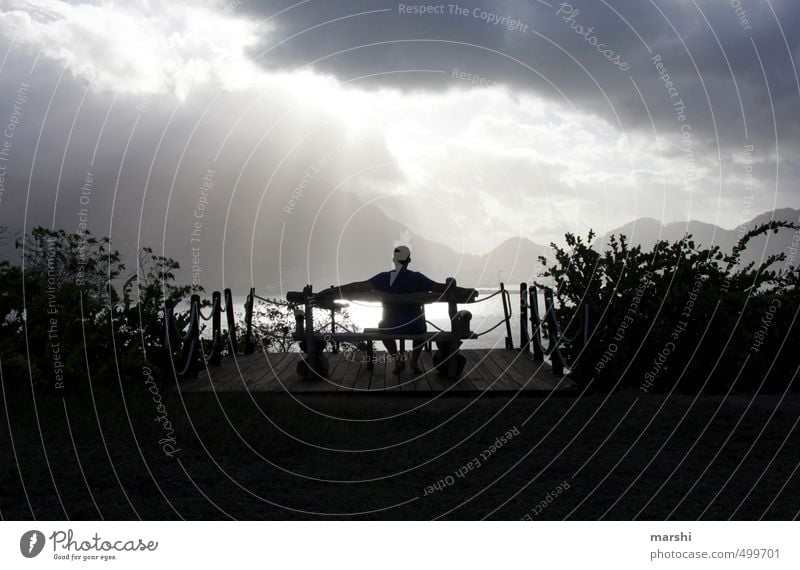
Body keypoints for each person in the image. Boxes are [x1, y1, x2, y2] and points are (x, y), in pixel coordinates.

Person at [318, 245, 451, 374]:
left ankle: (397, 359)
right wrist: (454, 286)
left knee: (382, 326)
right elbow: (439, 287)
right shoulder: (417, 278)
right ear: (409, 260)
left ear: (394, 259)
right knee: (422, 330)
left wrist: (335, 290)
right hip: (415, 326)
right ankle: (414, 362)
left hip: (390, 326)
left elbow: (358, 286)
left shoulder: (384, 278)